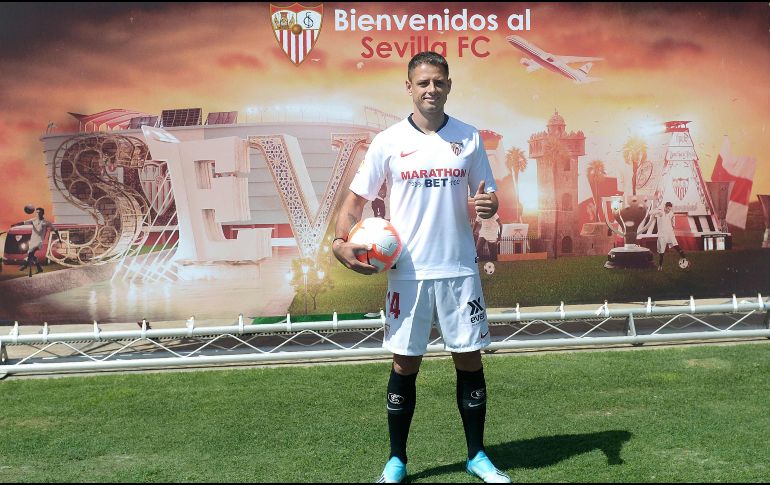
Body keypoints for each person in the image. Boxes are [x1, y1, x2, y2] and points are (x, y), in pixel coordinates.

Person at [332, 52, 510, 483]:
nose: (431, 89)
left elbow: (488, 197)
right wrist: (340, 242)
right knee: (404, 365)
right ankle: (397, 460)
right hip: (407, 273)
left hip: (457, 269)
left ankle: (477, 456)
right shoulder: (388, 141)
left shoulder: (468, 138)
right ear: (409, 87)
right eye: (423, 83)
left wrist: (490, 204)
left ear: (449, 86)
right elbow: (355, 201)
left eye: (439, 82)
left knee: (469, 360)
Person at [18, 207, 59, 275]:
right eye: (37, 212)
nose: (38, 214)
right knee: (32, 255)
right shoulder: (33, 220)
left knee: (31, 253)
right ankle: (39, 268)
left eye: (40, 212)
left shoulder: (46, 222)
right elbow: (24, 222)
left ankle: (25, 266)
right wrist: (15, 224)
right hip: (33, 241)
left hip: (39, 241)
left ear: (43, 213)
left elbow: (55, 229)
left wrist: (59, 238)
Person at [651, 201, 686, 271]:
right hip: (662, 235)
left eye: (670, 209)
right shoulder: (660, 212)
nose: (668, 210)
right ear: (665, 207)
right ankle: (660, 266)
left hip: (670, 233)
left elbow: (673, 217)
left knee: (676, 246)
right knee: (662, 252)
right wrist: (657, 211)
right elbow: (650, 212)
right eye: (667, 208)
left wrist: (673, 225)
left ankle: (685, 260)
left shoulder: (671, 213)